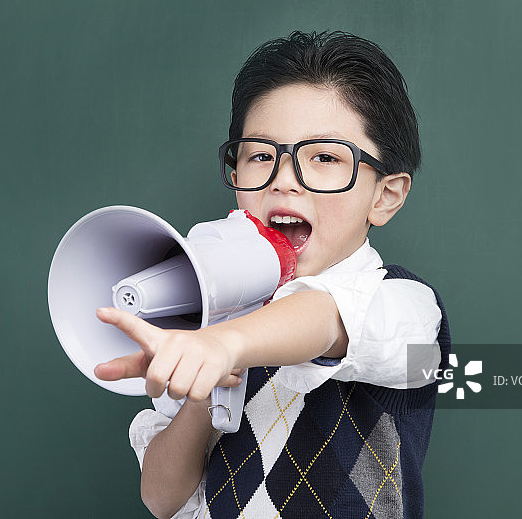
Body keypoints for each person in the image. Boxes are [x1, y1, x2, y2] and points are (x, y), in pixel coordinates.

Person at [94, 31, 451, 519]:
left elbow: (327, 318)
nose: (284, 180)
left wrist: (226, 343)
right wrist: (206, 386)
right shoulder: (215, 321)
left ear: (385, 195)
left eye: (324, 158)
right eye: (261, 155)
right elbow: (163, 498)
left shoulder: (406, 306)